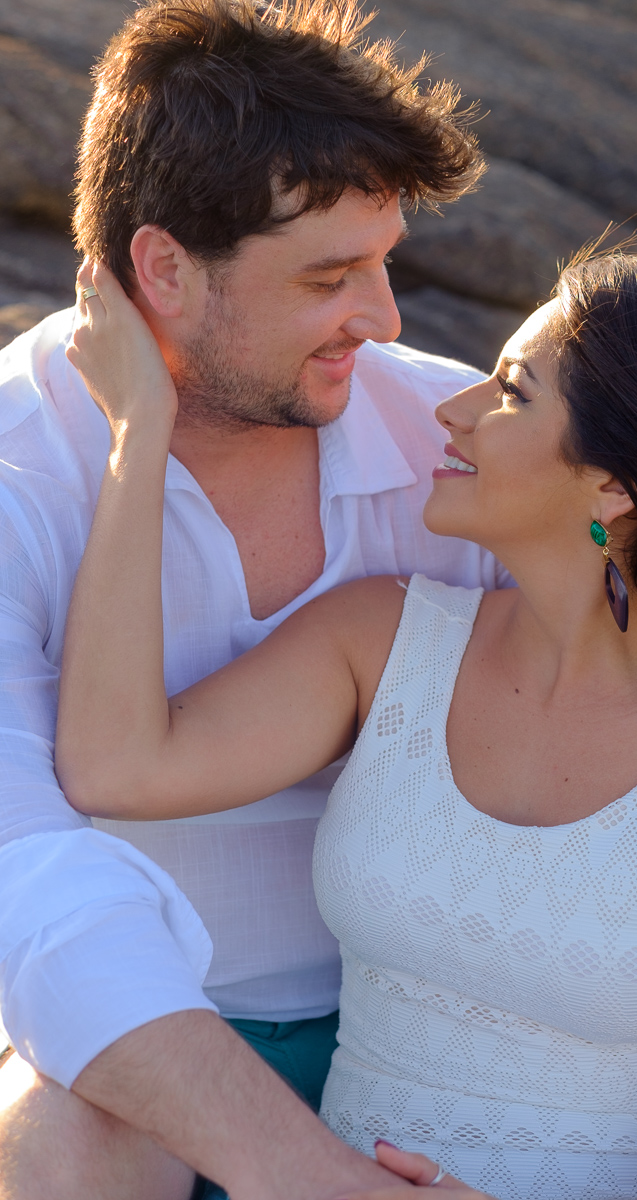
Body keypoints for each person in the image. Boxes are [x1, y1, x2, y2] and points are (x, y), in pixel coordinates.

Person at [57, 248, 637, 1200]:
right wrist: (138, 434)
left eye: (514, 391)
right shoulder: (383, 641)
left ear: (617, 486)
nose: (456, 410)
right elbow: (117, 764)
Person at [0, 2, 511, 1197]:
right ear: (163, 269)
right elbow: (21, 875)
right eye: (330, 278)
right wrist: (312, 1179)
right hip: (142, 1066)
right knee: (63, 1133)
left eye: (385, 265)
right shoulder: (17, 469)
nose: (382, 322)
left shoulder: (462, 444)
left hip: (436, 1036)